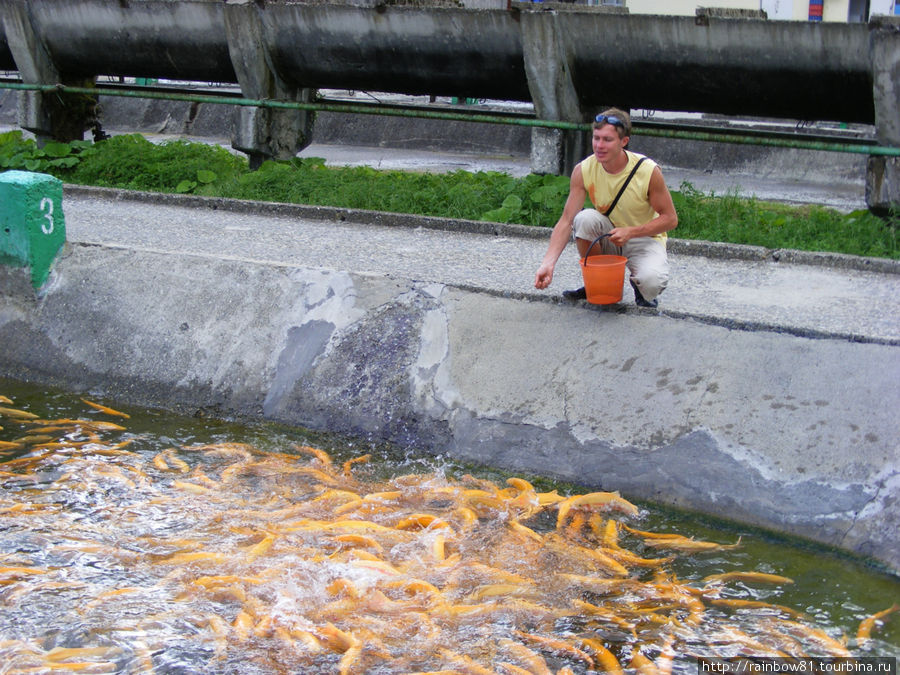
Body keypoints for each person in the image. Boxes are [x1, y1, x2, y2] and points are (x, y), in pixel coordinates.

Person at [533, 108, 678, 308]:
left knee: (652, 282)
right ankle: (597, 283)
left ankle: (639, 285)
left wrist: (631, 232)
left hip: (643, 238)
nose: (599, 146)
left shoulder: (648, 171)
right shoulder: (583, 169)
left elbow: (670, 219)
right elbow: (566, 221)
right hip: (608, 234)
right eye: (596, 138)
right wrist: (547, 264)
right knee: (584, 219)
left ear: (624, 142)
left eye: (607, 140)